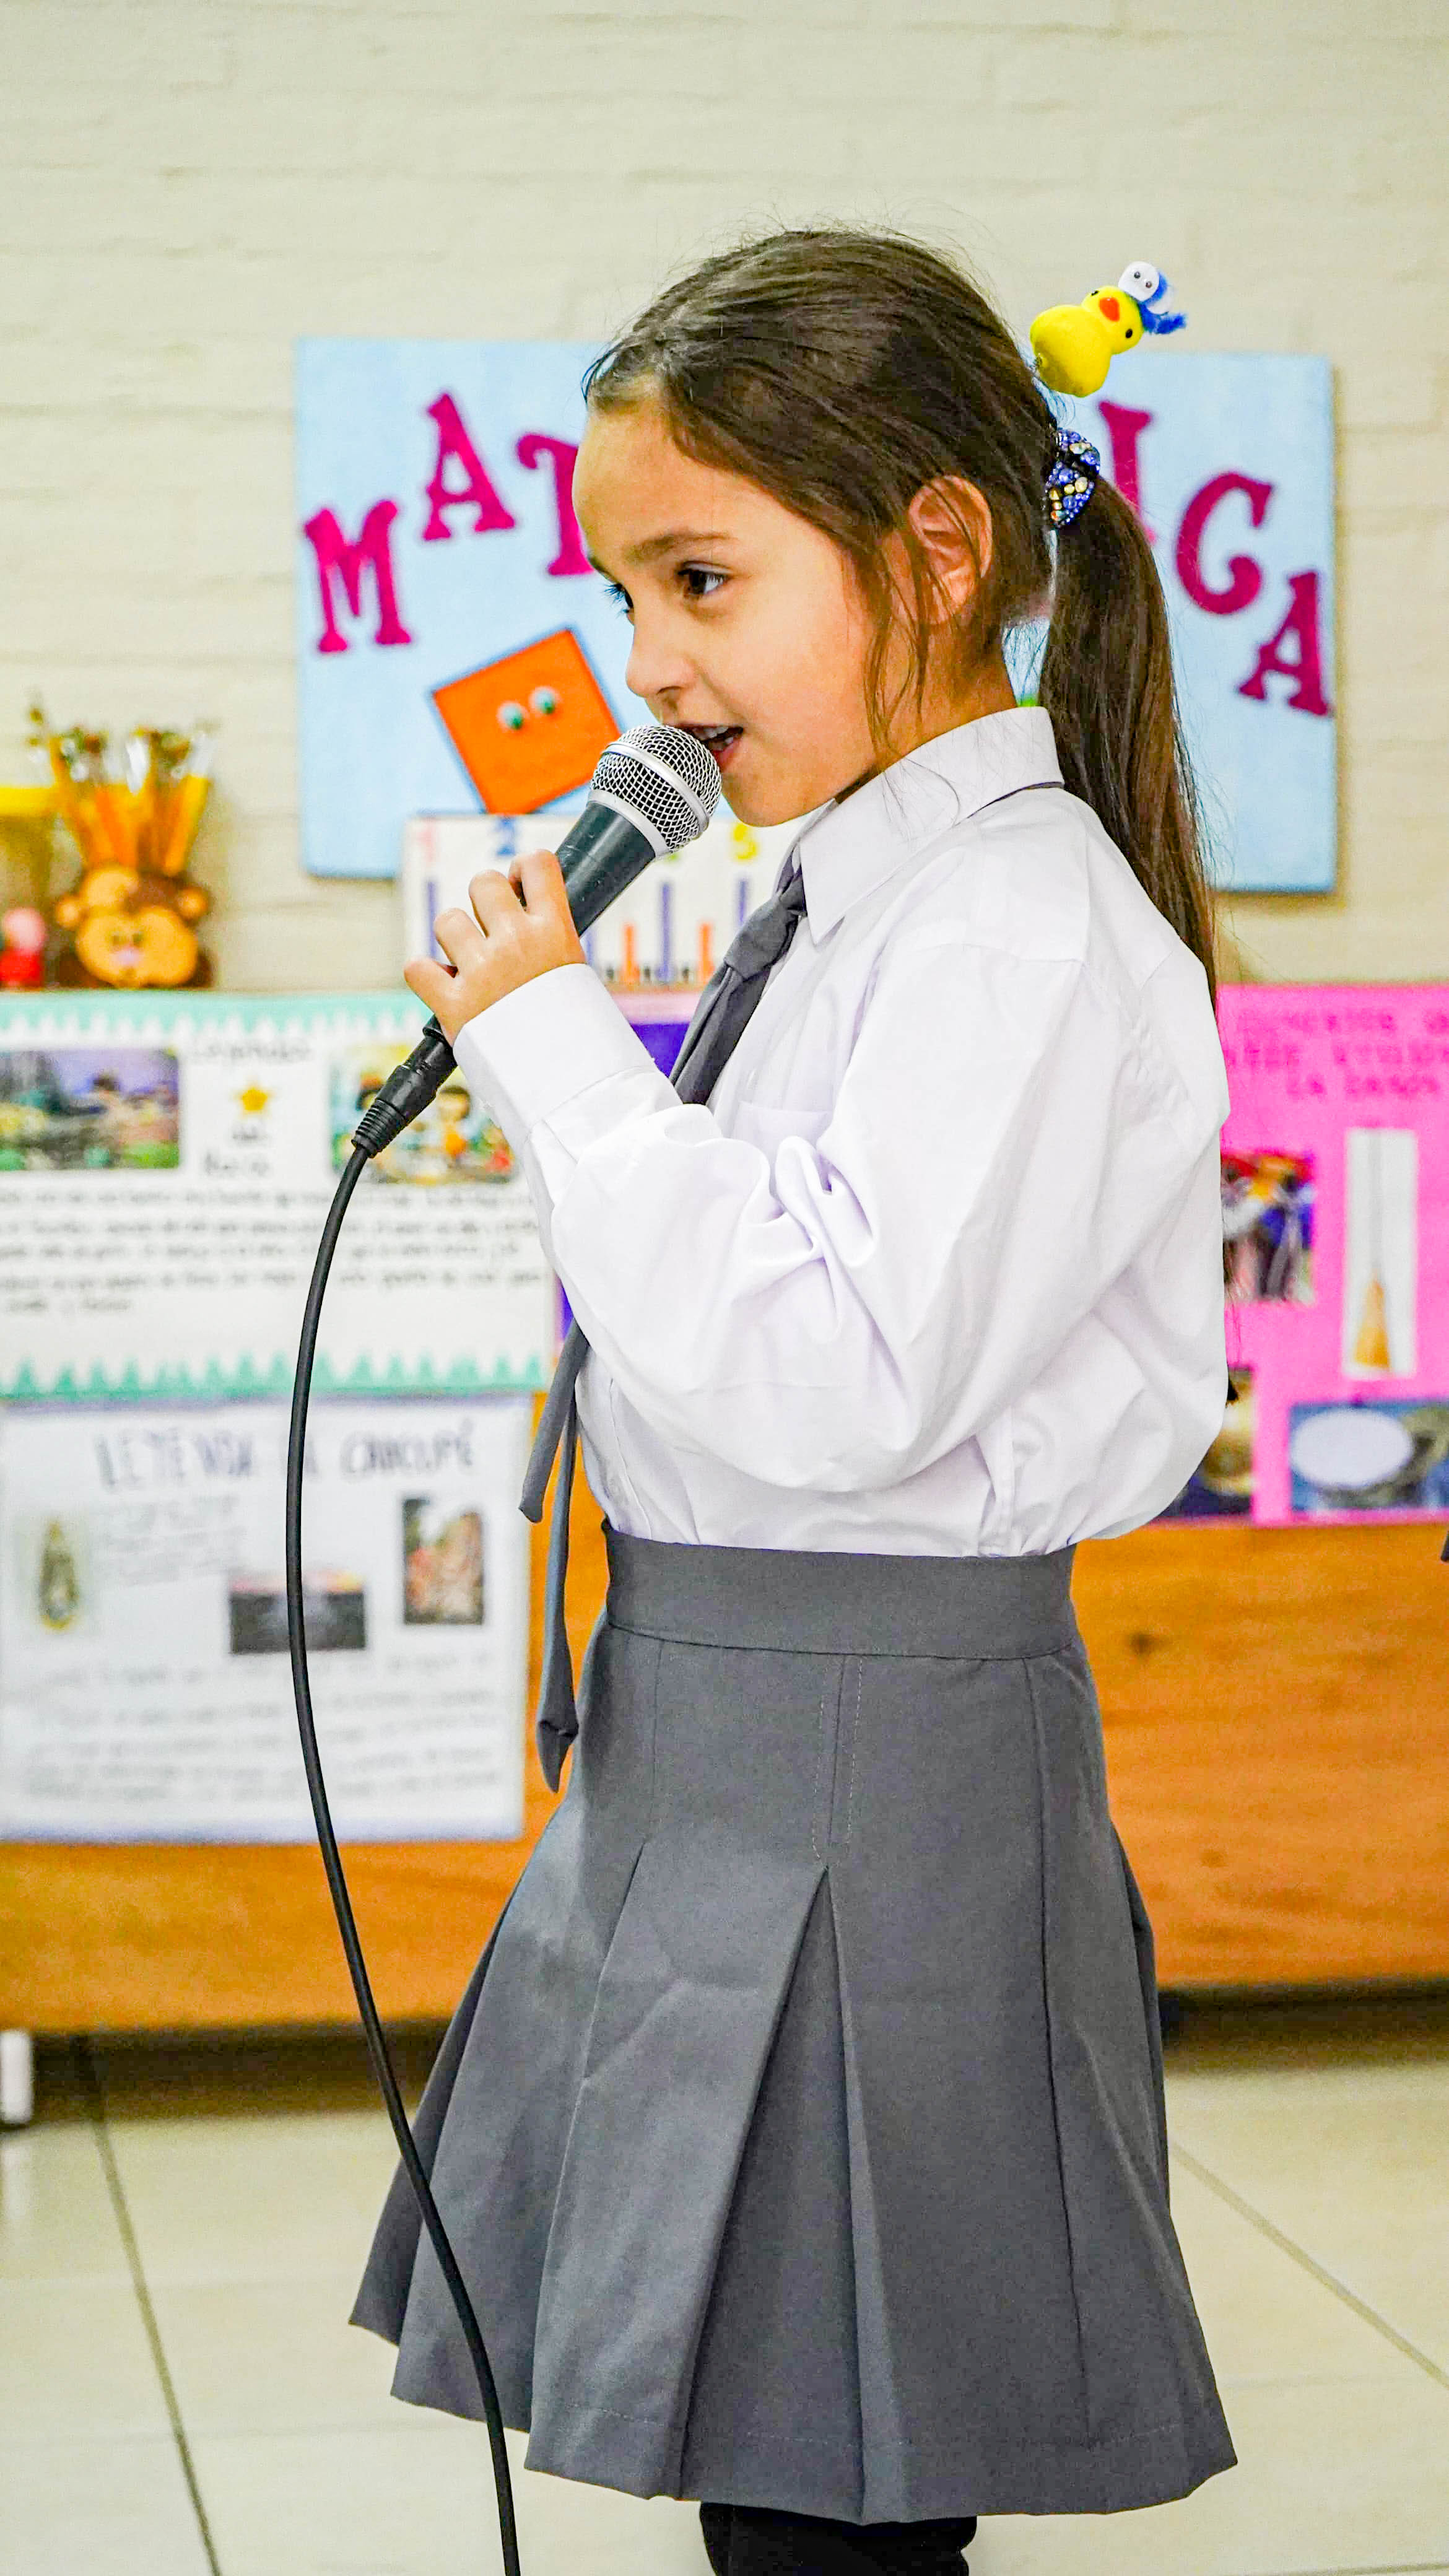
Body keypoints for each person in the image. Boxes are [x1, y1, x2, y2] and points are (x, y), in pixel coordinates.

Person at [354, 228, 1237, 2575]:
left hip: (877, 1766)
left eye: (701, 579)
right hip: (728, 1729)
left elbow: (833, 1373)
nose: (648, 666)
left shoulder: (1021, 924)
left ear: (936, 550)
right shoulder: (858, 904)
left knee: (835, 2494)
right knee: (767, 2444)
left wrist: (554, 1045)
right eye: (629, 592)